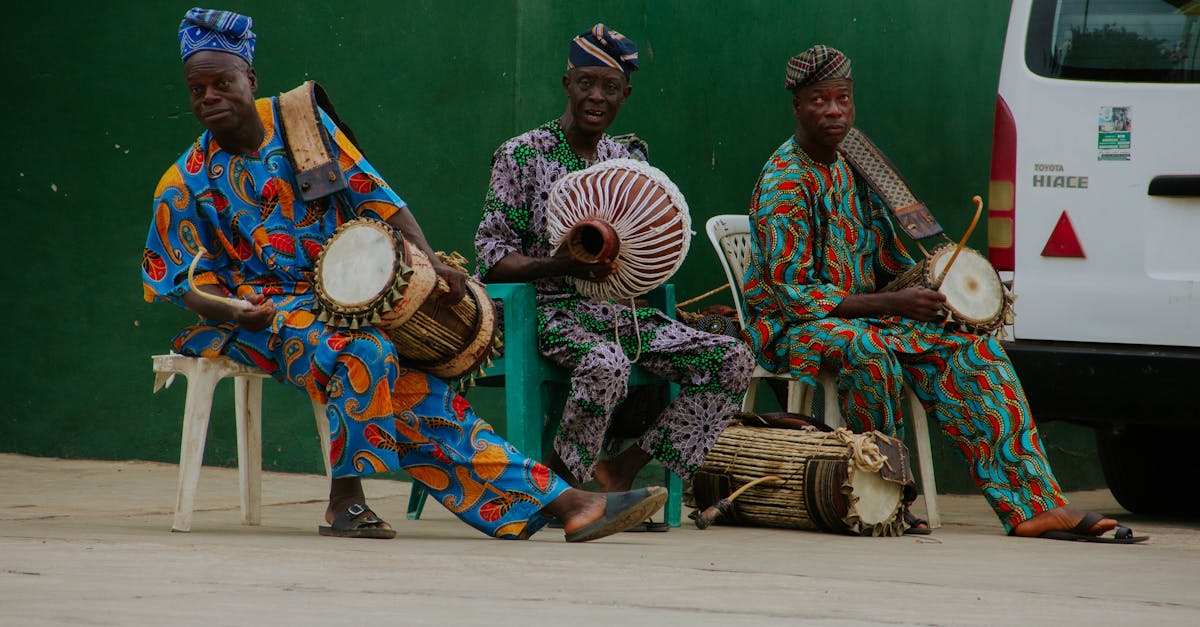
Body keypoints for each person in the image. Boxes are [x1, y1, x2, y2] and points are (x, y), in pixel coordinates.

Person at [141, 7, 669, 542]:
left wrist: (432, 261)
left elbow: (377, 195)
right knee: (366, 352)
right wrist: (233, 309)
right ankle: (345, 499)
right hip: (253, 319)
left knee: (420, 394)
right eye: (197, 88)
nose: (209, 96)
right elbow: (186, 284)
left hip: (338, 301)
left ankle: (561, 503)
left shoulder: (299, 123)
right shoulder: (182, 184)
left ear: (249, 79)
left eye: (221, 82)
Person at [741, 44, 1146, 543]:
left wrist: (940, 287)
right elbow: (794, 293)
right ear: (797, 106)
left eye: (842, 98)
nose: (834, 110)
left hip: (864, 318)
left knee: (974, 350)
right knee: (868, 350)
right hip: (788, 328)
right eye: (820, 100)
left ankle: (1034, 505)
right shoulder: (785, 179)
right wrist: (894, 304)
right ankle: (883, 499)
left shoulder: (855, 164)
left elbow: (888, 259)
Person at [474, 24, 753, 503]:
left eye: (609, 87)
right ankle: (557, 490)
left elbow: (649, 245)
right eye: (586, 83)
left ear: (626, 93)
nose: (596, 97)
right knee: (607, 362)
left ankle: (620, 470)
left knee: (732, 360)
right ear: (568, 84)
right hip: (541, 312)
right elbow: (493, 258)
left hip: (617, 313)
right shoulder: (521, 155)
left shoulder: (624, 161)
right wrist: (559, 265)